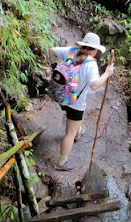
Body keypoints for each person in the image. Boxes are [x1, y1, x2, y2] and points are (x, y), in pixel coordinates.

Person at [48, 32, 114, 171]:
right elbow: (95, 85)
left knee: (75, 122)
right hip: (76, 103)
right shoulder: (90, 64)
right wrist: (107, 74)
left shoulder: (71, 52)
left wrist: (54, 67)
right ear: (95, 50)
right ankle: (61, 163)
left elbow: (52, 51)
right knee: (69, 134)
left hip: (61, 96)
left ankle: (77, 130)